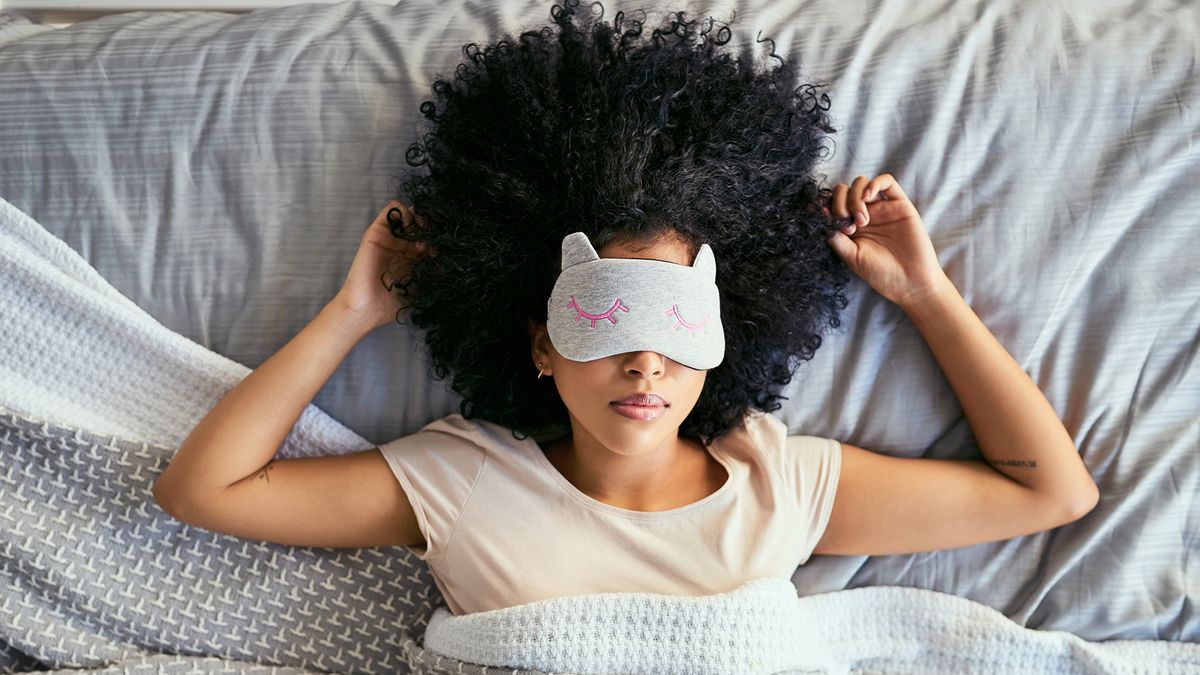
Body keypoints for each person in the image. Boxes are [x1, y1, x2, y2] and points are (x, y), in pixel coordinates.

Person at [150, 0, 1098, 616]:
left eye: (677, 329)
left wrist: (925, 295)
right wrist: (356, 310)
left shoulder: (784, 485)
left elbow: (1051, 491)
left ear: (726, 341)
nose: (646, 364)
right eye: (608, 320)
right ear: (541, 347)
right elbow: (202, 491)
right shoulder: (462, 480)